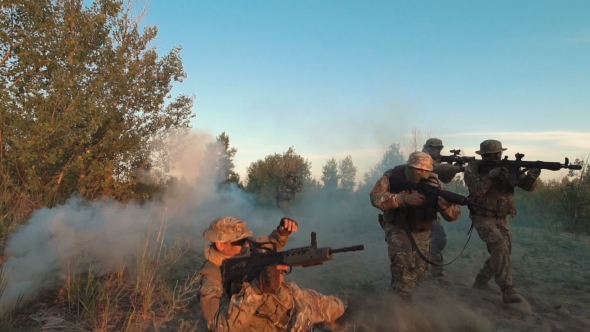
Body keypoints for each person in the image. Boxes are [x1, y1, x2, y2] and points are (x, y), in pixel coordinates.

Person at [198, 216, 347, 331]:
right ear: (220, 244)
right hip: (277, 322)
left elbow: (270, 243)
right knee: (332, 309)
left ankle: (344, 306)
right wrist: (257, 288)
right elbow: (219, 326)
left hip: (295, 300)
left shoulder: (245, 249)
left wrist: (282, 232)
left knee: (338, 306)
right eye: (240, 241)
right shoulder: (212, 276)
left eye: (246, 239)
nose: (247, 244)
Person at [369, 151, 462, 302]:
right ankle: (400, 305)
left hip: (422, 229)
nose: (423, 173)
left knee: (419, 269)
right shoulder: (393, 176)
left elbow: (455, 215)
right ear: (408, 167)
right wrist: (403, 199)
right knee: (402, 264)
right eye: (418, 170)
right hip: (397, 225)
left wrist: (446, 208)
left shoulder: (434, 183)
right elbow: (375, 198)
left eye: (426, 170)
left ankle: (401, 292)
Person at [464, 139, 540, 304]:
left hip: (502, 217)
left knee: (504, 250)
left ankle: (481, 280)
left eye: (499, 153)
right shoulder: (473, 168)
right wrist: (491, 175)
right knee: (499, 245)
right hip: (482, 216)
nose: (498, 156)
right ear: (484, 156)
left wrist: (533, 174)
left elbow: (528, 187)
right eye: (493, 155)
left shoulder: (508, 168)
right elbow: (477, 191)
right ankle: (507, 289)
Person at [421, 138, 462, 284]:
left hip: (431, 206)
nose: (438, 151)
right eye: (435, 148)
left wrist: (453, 166)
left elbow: (445, 179)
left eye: (440, 148)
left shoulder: (436, 162)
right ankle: (421, 272)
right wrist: (457, 168)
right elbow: (432, 168)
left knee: (438, 238)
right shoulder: (421, 159)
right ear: (427, 147)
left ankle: (436, 273)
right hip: (418, 203)